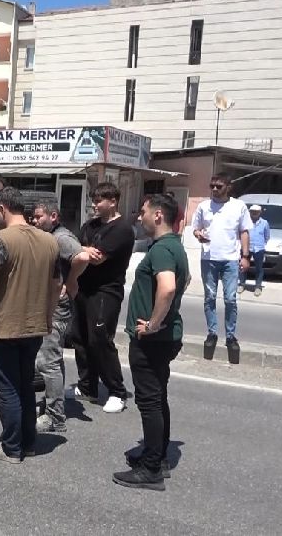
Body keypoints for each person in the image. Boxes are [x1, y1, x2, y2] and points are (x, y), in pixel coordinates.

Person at [0, 188, 60, 464]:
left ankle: (11, 447)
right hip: (35, 325)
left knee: (8, 388)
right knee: (25, 386)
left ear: (1, 208)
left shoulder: (0, 239)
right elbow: (58, 286)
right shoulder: (50, 240)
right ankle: (28, 442)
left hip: (4, 326)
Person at [113, 194, 190, 491]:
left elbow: (169, 288)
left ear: (158, 216)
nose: (139, 217)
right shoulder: (174, 246)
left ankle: (151, 469)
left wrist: (154, 323)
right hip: (165, 337)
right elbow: (186, 280)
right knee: (158, 397)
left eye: (143, 212)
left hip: (153, 340)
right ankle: (158, 457)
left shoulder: (161, 249)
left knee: (149, 401)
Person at [73, 182, 134, 414]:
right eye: (93, 200)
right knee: (79, 337)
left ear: (113, 201)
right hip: (83, 288)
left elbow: (97, 258)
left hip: (106, 290)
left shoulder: (122, 229)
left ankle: (117, 391)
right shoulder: (89, 225)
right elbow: (77, 249)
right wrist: (84, 250)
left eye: (99, 200)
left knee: (100, 338)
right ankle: (87, 385)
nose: (94, 205)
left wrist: (84, 251)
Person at [31, 199, 90, 433]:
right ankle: (52, 406)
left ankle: (55, 417)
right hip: (52, 304)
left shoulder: (60, 238)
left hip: (57, 306)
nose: (34, 221)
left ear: (53, 216)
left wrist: (71, 280)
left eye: (38, 217)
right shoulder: (51, 237)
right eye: (33, 217)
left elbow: (82, 257)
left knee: (48, 362)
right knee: (52, 359)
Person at [191, 172, 252, 363]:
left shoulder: (238, 206)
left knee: (230, 299)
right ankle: (212, 333)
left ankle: (231, 336)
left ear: (228, 187)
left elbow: (244, 231)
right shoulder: (203, 206)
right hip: (209, 258)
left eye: (219, 186)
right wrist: (198, 234)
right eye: (212, 186)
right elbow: (195, 228)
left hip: (230, 260)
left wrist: (245, 256)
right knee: (209, 297)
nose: (215, 189)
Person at [240, 204, 270, 297]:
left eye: (256, 212)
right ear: (249, 212)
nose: (254, 213)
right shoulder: (246, 222)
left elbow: (267, 236)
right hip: (246, 248)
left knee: (259, 268)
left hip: (259, 249)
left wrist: (261, 244)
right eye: (252, 211)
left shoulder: (264, 223)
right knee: (243, 267)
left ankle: (257, 287)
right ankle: (241, 284)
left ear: (260, 212)